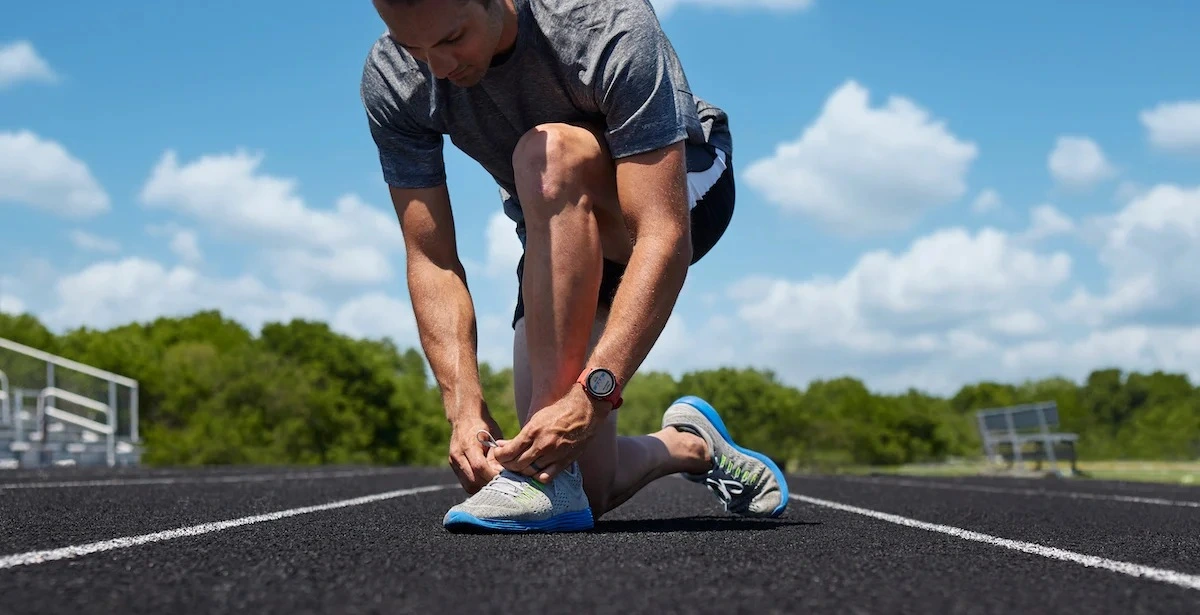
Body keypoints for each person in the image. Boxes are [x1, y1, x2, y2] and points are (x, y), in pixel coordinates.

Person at [361, 0, 789, 533]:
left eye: (451, 39)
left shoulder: (604, 22)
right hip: (557, 225)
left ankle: (552, 464)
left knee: (547, 152)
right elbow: (432, 258)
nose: (437, 68)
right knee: (578, 480)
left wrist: (595, 393)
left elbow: (662, 235)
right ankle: (691, 445)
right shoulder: (393, 78)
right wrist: (463, 406)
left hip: (678, 192)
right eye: (412, 48)